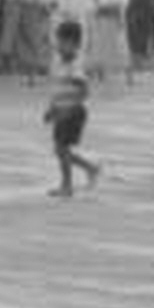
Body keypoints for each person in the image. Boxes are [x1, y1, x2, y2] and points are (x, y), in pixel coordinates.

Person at [44, 19, 101, 197]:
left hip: (73, 113)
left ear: (75, 44)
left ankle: (67, 186)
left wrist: (69, 109)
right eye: (58, 41)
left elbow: (84, 91)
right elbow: (56, 89)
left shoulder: (76, 65)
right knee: (61, 150)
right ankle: (90, 167)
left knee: (61, 148)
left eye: (63, 42)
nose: (59, 46)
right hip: (62, 111)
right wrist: (52, 108)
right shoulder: (58, 62)